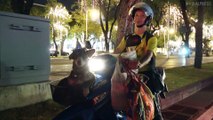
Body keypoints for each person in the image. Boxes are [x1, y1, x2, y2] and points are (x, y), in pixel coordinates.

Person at [115, 2, 164, 120]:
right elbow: (117, 52)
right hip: (127, 73)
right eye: (136, 15)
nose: (138, 18)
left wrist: (139, 64)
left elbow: (148, 55)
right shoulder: (127, 38)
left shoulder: (151, 38)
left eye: (142, 15)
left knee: (151, 97)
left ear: (147, 19)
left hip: (145, 73)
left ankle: (157, 115)